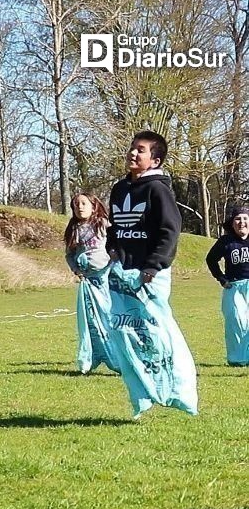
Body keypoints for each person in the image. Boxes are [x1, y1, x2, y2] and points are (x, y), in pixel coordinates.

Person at [106, 130, 197, 417]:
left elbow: (170, 230)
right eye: (132, 148)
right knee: (124, 334)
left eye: (141, 150)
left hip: (150, 274)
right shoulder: (119, 189)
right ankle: (143, 396)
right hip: (123, 273)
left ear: (155, 160)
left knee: (159, 333)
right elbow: (115, 229)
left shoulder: (158, 190)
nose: (133, 153)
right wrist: (112, 250)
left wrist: (153, 266)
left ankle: (180, 391)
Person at [64, 193, 118, 375]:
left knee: (108, 316)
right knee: (90, 319)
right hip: (87, 281)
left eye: (83, 203)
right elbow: (69, 254)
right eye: (76, 204)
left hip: (106, 278)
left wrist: (114, 260)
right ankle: (92, 356)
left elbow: (115, 245)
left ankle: (117, 357)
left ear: (93, 206)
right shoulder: (74, 229)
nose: (80, 207)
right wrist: (75, 269)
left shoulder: (103, 224)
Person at [205, 205, 249, 366]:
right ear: (232, 223)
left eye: (245, 218)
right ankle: (238, 359)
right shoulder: (226, 241)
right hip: (234, 287)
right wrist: (221, 278)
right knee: (236, 321)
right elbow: (211, 259)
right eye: (238, 219)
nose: (241, 222)